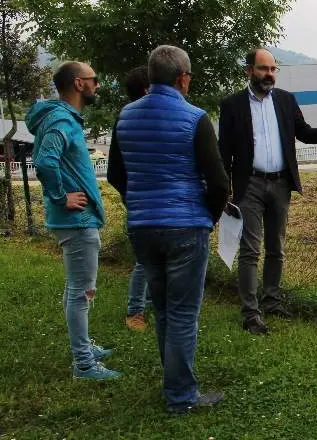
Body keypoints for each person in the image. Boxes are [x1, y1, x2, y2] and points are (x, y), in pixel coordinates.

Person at [108, 45, 229, 413]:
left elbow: (115, 173)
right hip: (185, 227)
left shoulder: (125, 117)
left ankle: (174, 385)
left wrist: (139, 205)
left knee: (161, 308)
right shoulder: (195, 118)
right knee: (182, 314)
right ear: (182, 78)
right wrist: (207, 217)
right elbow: (219, 182)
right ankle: (181, 396)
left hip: (143, 228)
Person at [218, 48, 317, 334]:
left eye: (273, 69)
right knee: (250, 250)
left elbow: (302, 132)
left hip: (280, 184)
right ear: (249, 71)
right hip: (249, 184)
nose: (269, 75)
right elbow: (224, 150)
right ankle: (251, 312)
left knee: (277, 248)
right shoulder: (232, 105)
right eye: (263, 69)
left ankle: (271, 300)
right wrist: (224, 189)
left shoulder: (286, 100)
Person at [25, 61, 121, 380]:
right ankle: (84, 363)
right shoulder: (61, 121)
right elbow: (44, 161)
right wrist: (61, 196)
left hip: (77, 220)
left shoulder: (63, 119)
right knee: (82, 292)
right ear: (79, 84)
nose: (98, 85)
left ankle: (84, 348)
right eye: (94, 80)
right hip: (76, 221)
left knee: (76, 288)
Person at [106, 66, 151, 331]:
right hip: (142, 200)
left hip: (150, 199)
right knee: (145, 258)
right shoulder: (127, 120)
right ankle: (136, 310)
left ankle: (151, 302)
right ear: (147, 90)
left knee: (157, 258)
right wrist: (130, 195)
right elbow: (114, 170)